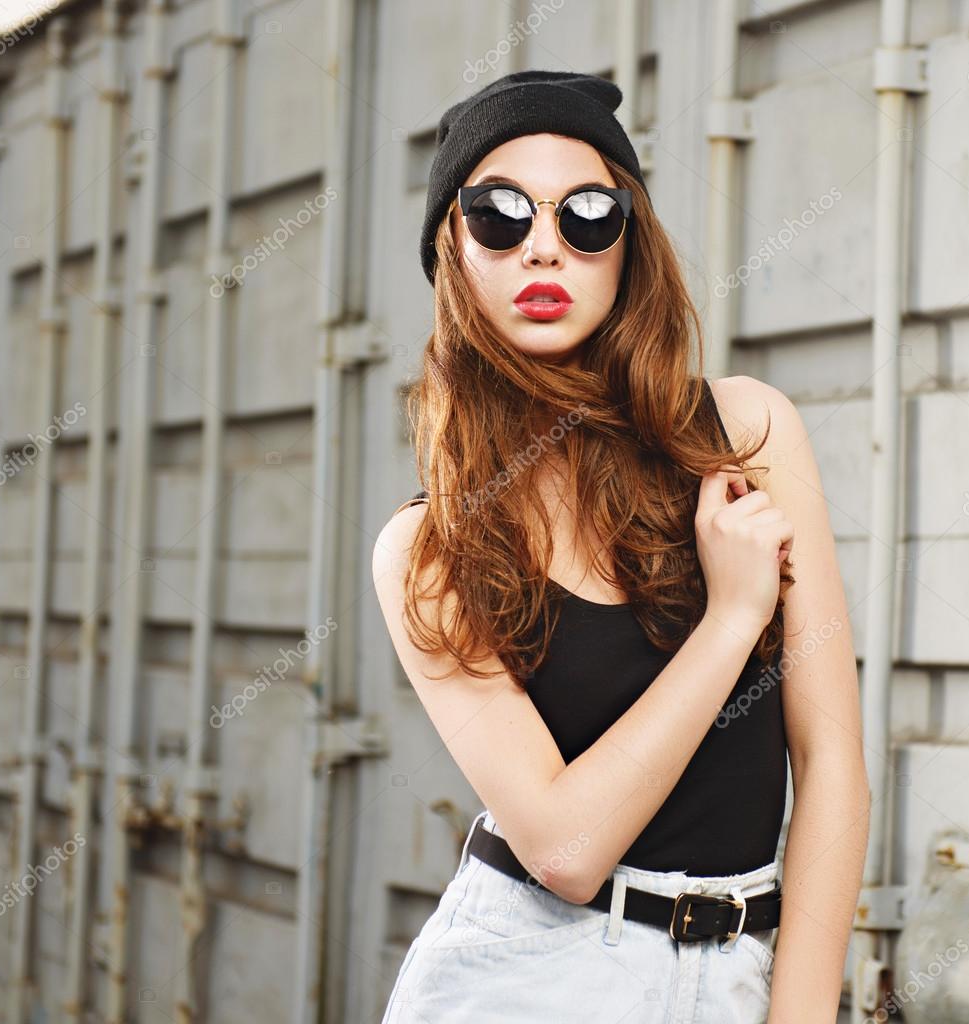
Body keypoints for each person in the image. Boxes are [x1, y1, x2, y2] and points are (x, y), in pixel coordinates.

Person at [371, 69, 869, 1024]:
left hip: (737, 974)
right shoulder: (430, 549)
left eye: (588, 214)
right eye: (501, 217)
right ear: (454, 251)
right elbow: (564, 850)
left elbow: (834, 764)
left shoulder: (746, 431)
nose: (545, 250)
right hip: (526, 978)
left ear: (627, 245)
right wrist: (730, 619)